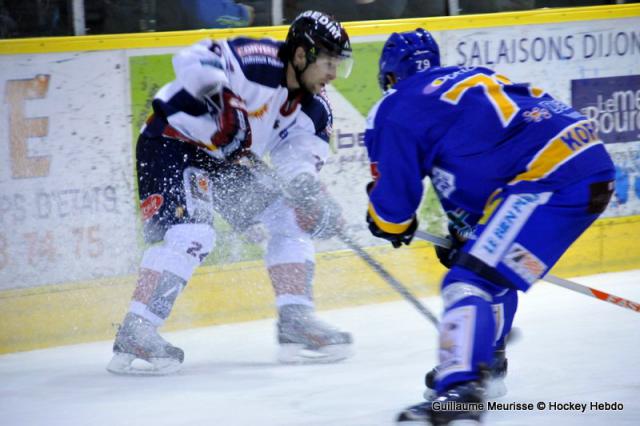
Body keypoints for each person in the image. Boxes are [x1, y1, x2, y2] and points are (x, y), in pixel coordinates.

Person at [364, 28, 614, 424]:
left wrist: (385, 220)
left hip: (550, 178)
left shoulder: (396, 107)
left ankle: (462, 392)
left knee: (468, 282)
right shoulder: (463, 86)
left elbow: (394, 210)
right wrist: (466, 237)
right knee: (483, 266)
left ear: (390, 78)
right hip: (585, 165)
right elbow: (484, 176)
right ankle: (486, 362)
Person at [107, 10, 354, 375]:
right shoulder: (258, 60)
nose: (333, 75)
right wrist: (221, 99)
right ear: (301, 55)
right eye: (329, 64)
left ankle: (295, 319)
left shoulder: (316, 110)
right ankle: (137, 329)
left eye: (339, 66)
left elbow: (296, 161)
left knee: (289, 217)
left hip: (230, 160)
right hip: (173, 141)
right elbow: (189, 58)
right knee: (194, 234)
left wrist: (309, 195)